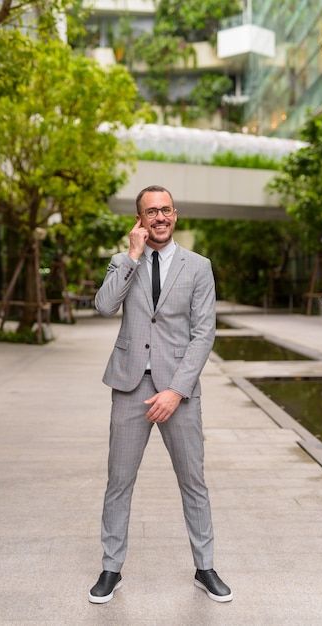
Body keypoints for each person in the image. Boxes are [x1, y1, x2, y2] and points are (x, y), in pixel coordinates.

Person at [89, 185, 232, 604]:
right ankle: (111, 570)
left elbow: (204, 332)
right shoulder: (122, 261)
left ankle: (205, 567)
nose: (160, 217)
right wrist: (131, 256)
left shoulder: (199, 266)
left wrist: (175, 390)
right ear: (140, 219)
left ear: (175, 213)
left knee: (193, 482)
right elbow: (103, 306)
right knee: (119, 482)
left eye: (165, 209)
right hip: (129, 386)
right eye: (150, 212)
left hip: (179, 391)